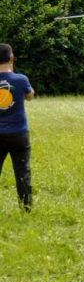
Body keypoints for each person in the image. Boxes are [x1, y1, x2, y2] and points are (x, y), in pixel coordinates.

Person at [0, 43, 34, 211]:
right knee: (22, 171)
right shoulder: (21, 79)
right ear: (11, 58)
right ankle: (26, 207)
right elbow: (30, 96)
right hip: (19, 133)